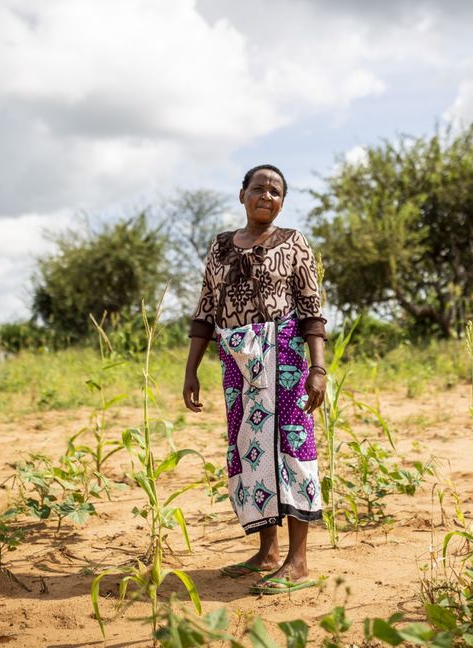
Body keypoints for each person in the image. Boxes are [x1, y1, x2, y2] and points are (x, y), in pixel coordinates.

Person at [182, 164, 327, 595]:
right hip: (235, 361)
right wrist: (191, 369)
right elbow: (207, 309)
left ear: (282, 202)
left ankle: (297, 561)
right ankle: (266, 552)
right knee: (249, 446)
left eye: (276, 191)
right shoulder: (221, 247)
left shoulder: (294, 243)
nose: (267, 195)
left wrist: (316, 369)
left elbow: (311, 310)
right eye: (259, 188)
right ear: (242, 194)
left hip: (282, 354)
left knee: (292, 443)